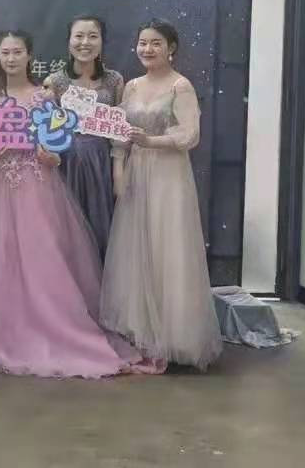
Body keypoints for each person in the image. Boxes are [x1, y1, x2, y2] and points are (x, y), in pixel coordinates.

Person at [0, 30, 152, 378]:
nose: (10, 58)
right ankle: (2, 328)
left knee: (41, 259)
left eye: (17, 52)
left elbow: (57, 148)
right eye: (4, 52)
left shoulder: (45, 97)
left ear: (29, 56)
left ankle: (52, 328)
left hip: (37, 186)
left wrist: (50, 157)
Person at [100, 19, 223, 371]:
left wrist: (150, 141)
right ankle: (139, 334)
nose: (147, 49)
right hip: (136, 172)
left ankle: (173, 338)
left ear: (171, 48)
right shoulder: (131, 86)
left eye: (155, 43)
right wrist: (119, 171)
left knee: (166, 247)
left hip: (169, 176)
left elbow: (189, 135)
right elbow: (120, 134)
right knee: (135, 249)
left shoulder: (180, 86)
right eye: (143, 42)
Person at [45, 16, 124, 258]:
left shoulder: (114, 80)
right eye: (78, 36)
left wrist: (118, 170)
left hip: (101, 162)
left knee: (101, 225)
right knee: (67, 229)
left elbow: (119, 130)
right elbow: (48, 130)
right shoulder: (55, 81)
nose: (85, 43)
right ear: (69, 41)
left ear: (102, 41)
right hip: (66, 162)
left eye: (92, 36)